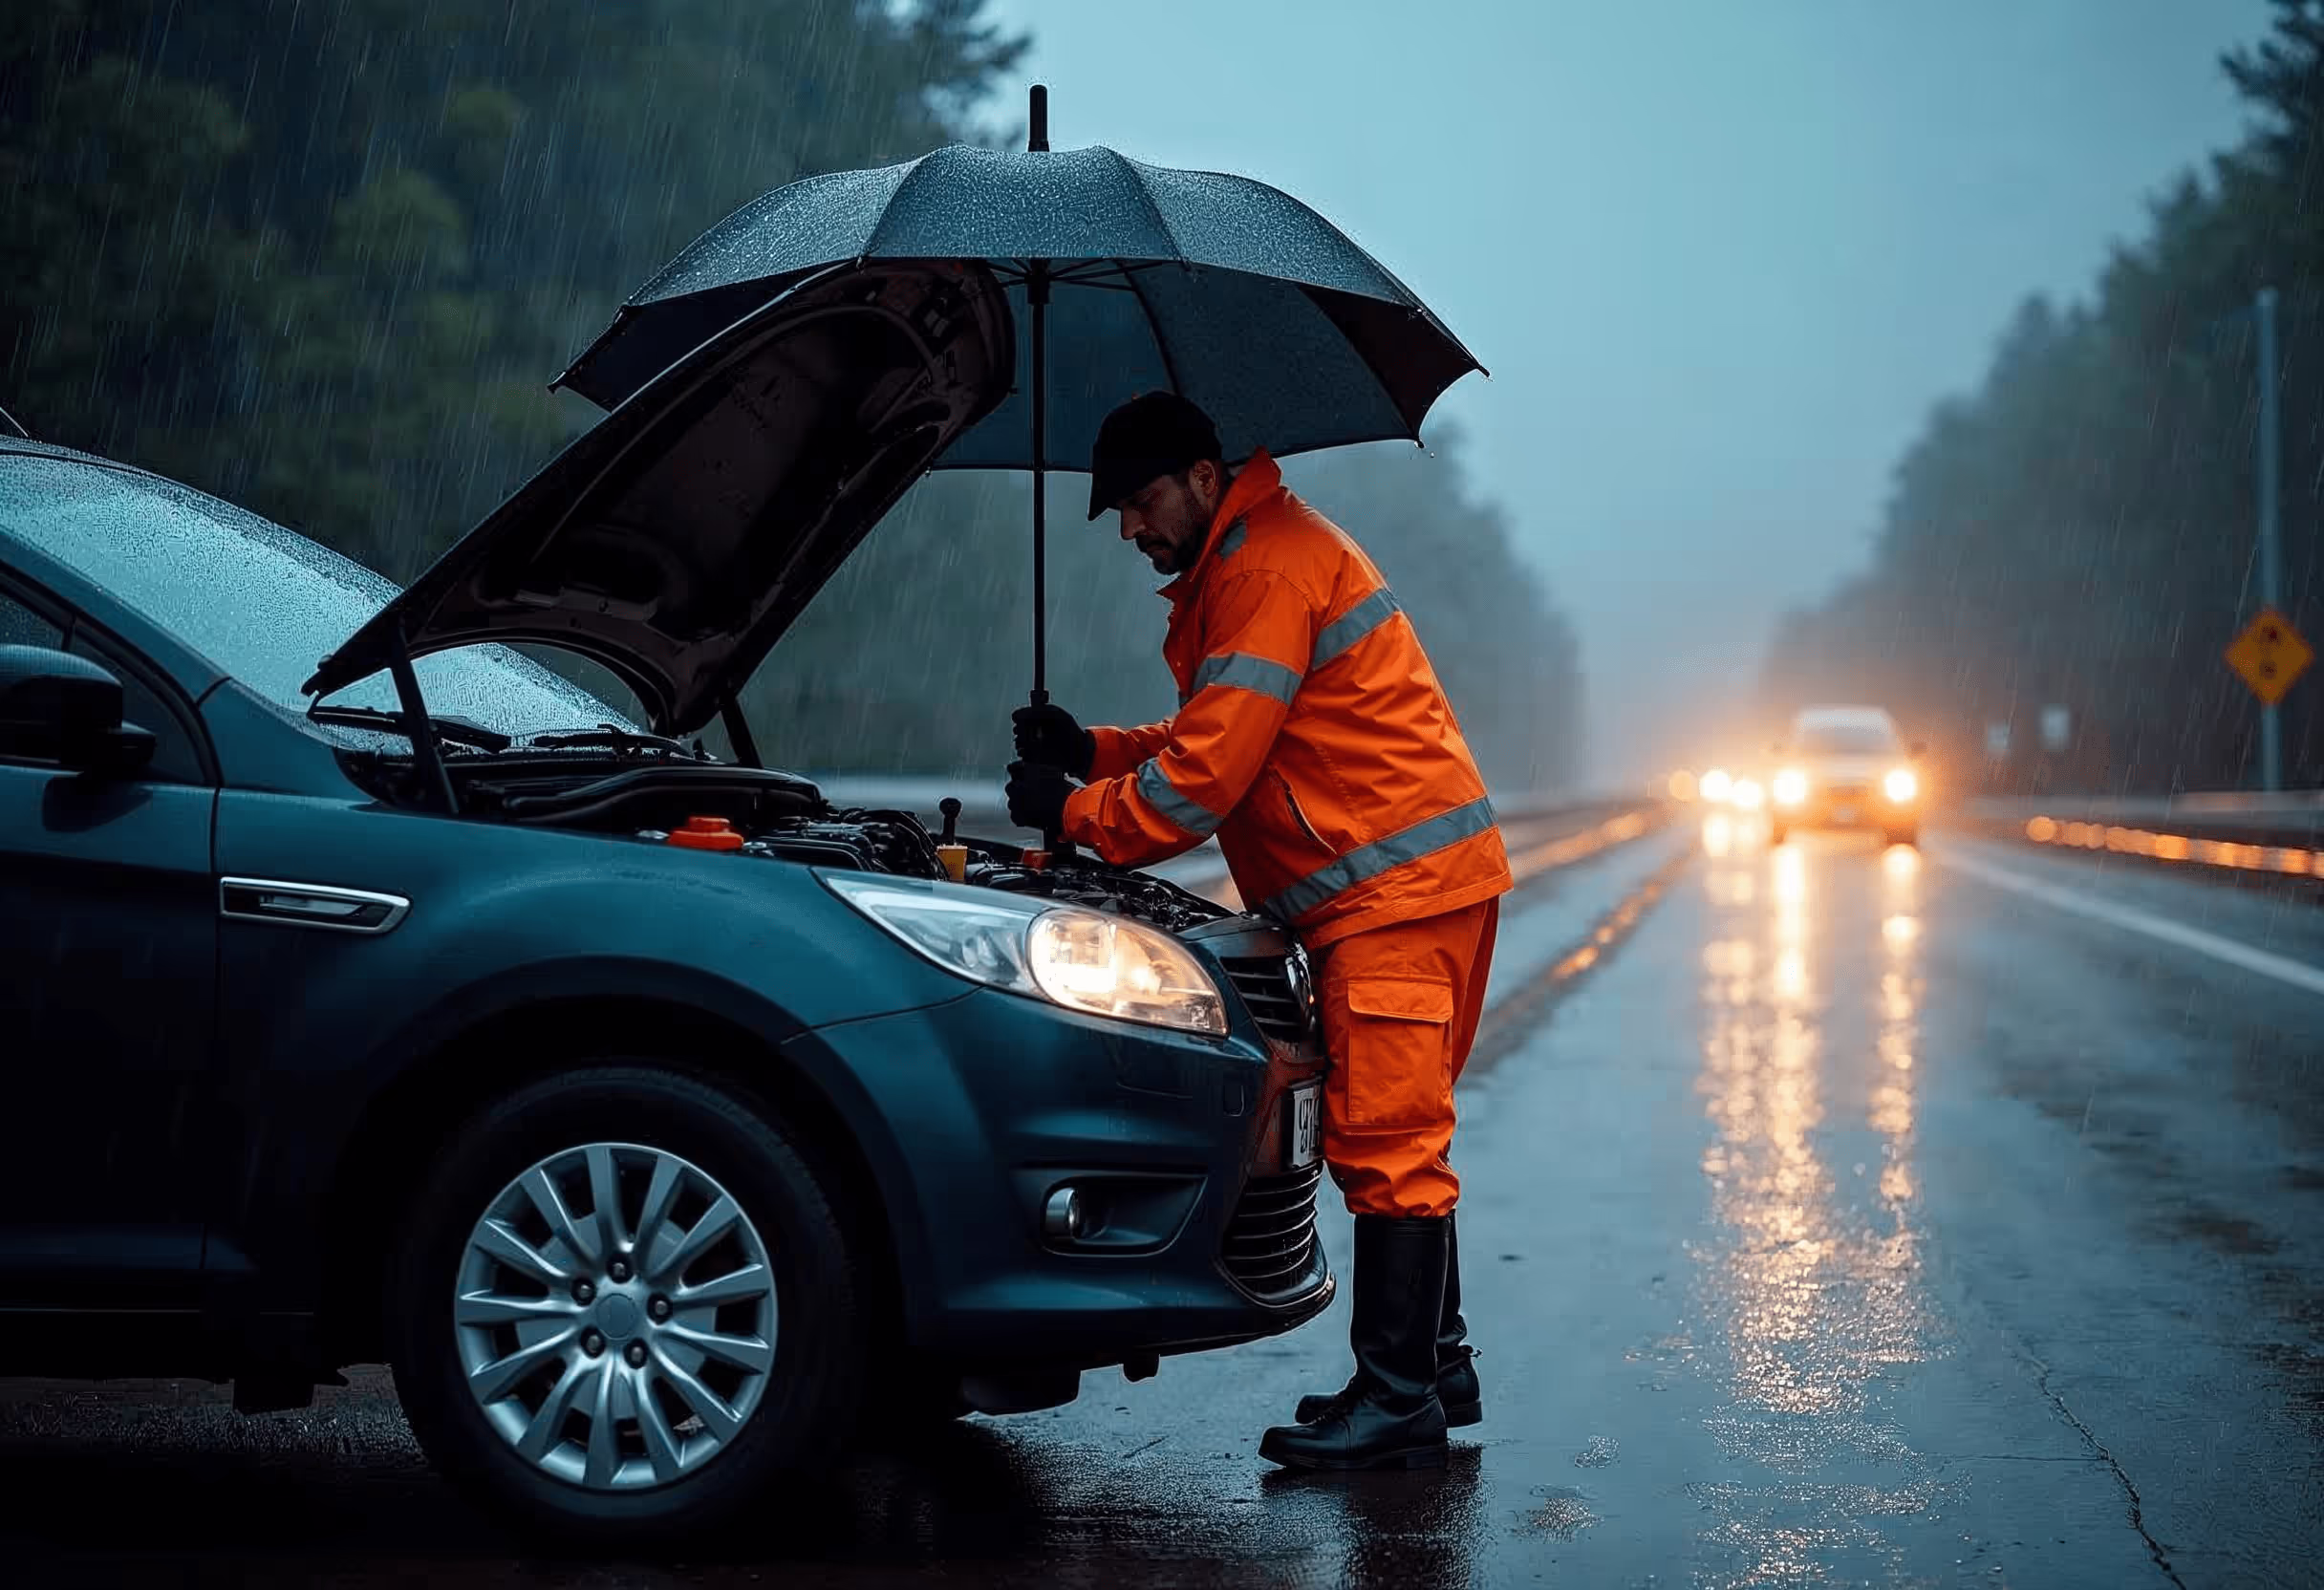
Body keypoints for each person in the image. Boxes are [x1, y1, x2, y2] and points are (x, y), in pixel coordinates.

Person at [1003, 391, 1513, 1472]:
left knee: (1386, 1142)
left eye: (1140, 502)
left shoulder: (1266, 570)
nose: (1131, 529)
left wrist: (1075, 811)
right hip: (1403, 889)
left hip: (1393, 898)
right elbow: (1218, 734)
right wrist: (1090, 747)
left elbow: (1197, 784)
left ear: (1200, 474)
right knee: (1396, 1134)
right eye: (1116, 515)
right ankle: (1434, 1365)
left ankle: (1397, 1400)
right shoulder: (1252, 562)